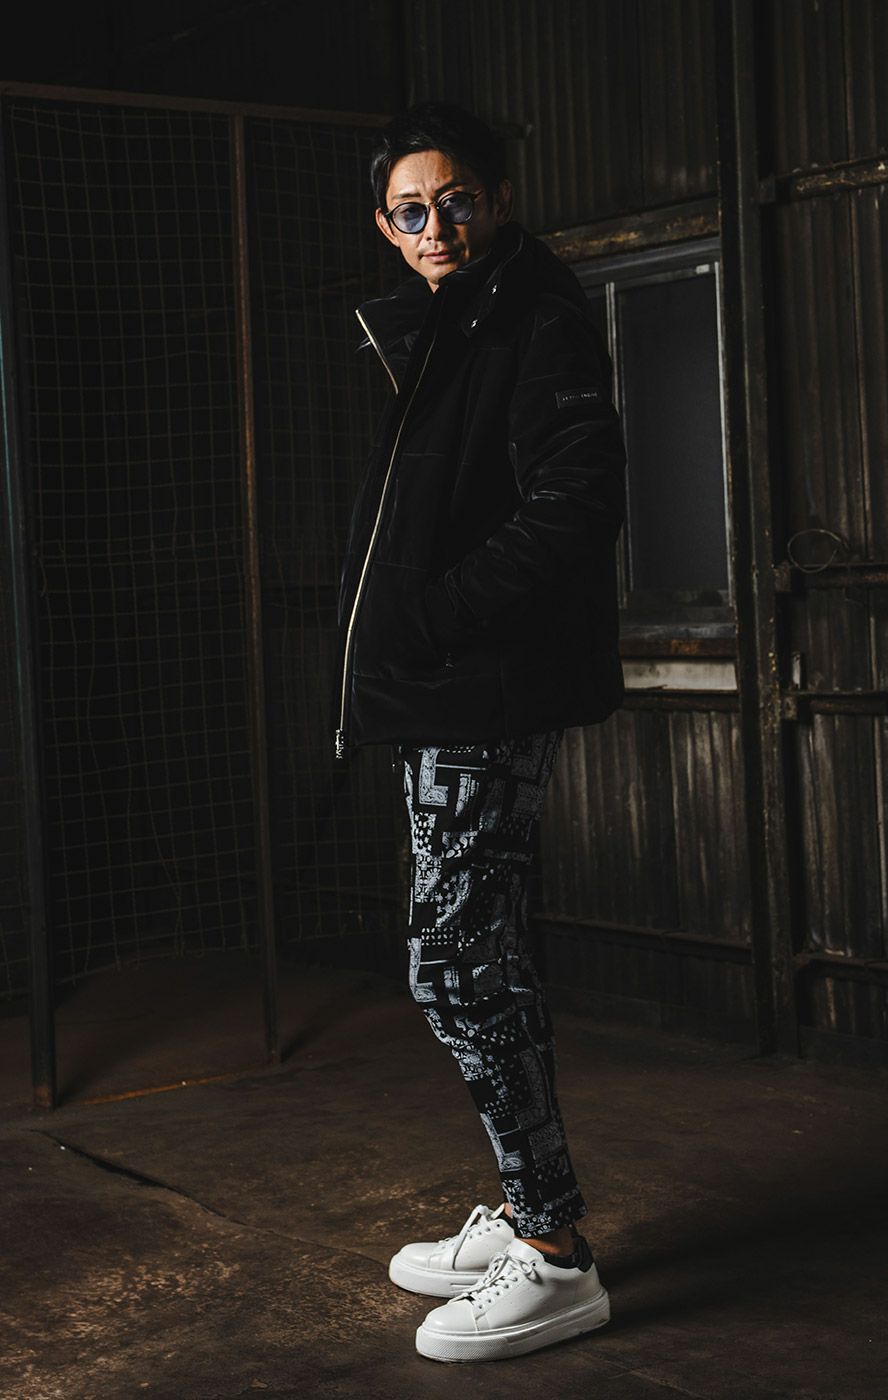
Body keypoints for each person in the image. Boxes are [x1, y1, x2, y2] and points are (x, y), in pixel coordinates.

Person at [331, 100, 627, 1362]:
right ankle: (527, 1206)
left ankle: (554, 1252)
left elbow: (576, 499)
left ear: (497, 199)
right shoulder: (456, 316)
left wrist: (437, 618)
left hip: (483, 687)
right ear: (385, 225)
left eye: (456, 200)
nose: (435, 225)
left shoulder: (530, 313)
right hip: (445, 688)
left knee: (456, 964)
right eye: (411, 209)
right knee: (472, 957)